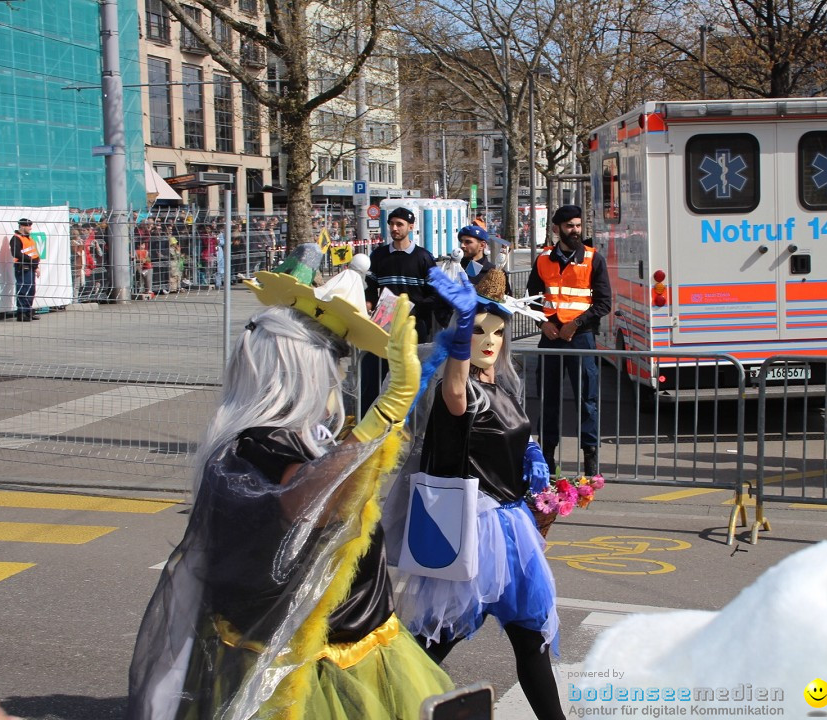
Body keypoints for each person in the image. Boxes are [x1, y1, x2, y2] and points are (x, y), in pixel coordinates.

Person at [125, 252, 452, 720]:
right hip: (309, 663)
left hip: (351, 637)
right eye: (334, 359)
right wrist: (384, 414)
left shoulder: (301, 436)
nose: (340, 374)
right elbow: (308, 502)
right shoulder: (261, 443)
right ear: (300, 369)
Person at [394, 267, 564, 720]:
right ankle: (383, 704)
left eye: (498, 331)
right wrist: (464, 322)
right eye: (479, 331)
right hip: (474, 529)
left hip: (513, 529)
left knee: (531, 641)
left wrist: (540, 477)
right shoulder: (462, 389)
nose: (489, 340)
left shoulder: (501, 385)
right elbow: (453, 390)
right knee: (433, 643)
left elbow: (511, 442)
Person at [526, 205, 611, 477]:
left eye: (577, 225)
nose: (575, 230)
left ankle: (590, 458)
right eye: (569, 226)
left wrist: (576, 324)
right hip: (551, 337)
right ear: (556, 229)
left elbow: (604, 302)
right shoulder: (543, 260)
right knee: (548, 398)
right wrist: (544, 323)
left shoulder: (592, 259)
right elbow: (533, 300)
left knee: (587, 397)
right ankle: (547, 457)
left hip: (580, 337)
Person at [361, 206, 438, 412]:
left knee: (409, 377)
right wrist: (369, 304)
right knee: (374, 373)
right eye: (392, 224)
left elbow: (435, 294)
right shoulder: (378, 256)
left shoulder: (423, 257)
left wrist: (414, 310)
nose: (394, 228)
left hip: (414, 328)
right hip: (383, 325)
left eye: (399, 224)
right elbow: (370, 287)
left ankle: (410, 421)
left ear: (410, 227)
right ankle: (368, 417)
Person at [9, 218, 40, 321]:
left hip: (30, 267)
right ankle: (21, 313)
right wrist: (30, 260)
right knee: (23, 289)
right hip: (22, 267)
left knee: (31, 290)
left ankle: (28, 311)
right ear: (22, 226)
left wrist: (36, 266)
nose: (30, 228)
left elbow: (35, 253)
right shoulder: (16, 238)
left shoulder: (30, 239)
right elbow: (16, 253)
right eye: (28, 226)